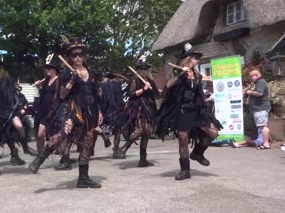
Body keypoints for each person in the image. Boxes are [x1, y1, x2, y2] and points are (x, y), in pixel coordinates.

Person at [29, 37, 102, 188]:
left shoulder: (91, 73)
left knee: (87, 143)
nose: (77, 57)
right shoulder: (66, 74)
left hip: (89, 112)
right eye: (74, 55)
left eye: (80, 54)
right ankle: (39, 159)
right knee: (63, 133)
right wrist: (72, 81)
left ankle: (83, 178)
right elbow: (62, 95)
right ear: (70, 57)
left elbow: (95, 94)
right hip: (73, 109)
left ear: (84, 56)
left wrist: (99, 112)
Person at [154, 43, 222, 180]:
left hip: (197, 110)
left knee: (214, 133)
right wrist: (181, 73)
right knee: (183, 140)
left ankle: (197, 153)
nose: (198, 61)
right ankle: (185, 170)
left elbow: (199, 94)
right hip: (182, 110)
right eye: (196, 58)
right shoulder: (178, 72)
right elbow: (168, 85)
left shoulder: (197, 75)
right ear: (188, 59)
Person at [116, 57, 159, 167]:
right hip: (139, 108)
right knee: (140, 129)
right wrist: (144, 89)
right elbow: (132, 94)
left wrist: (153, 89)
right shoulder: (135, 81)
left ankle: (143, 159)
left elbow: (155, 94)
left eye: (146, 69)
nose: (144, 71)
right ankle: (123, 148)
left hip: (149, 109)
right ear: (138, 70)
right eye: (142, 69)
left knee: (147, 132)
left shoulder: (150, 81)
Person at [232, 69, 272, 149]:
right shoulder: (259, 82)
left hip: (260, 108)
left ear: (256, 75)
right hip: (259, 108)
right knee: (263, 126)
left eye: (251, 76)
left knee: (262, 126)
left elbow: (260, 93)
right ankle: (265, 143)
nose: (251, 78)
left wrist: (249, 92)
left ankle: (266, 143)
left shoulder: (261, 82)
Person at [34, 54, 61, 153]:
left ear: (55, 69)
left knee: (52, 134)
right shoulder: (45, 81)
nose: (47, 70)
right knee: (39, 134)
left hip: (53, 110)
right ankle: (40, 154)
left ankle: (59, 151)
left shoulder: (59, 80)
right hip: (42, 109)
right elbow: (43, 94)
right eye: (47, 68)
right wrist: (38, 87)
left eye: (50, 68)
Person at [99, 72, 126, 159]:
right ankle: (116, 150)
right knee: (118, 130)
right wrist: (118, 75)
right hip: (118, 109)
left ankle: (105, 134)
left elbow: (100, 97)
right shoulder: (118, 84)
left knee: (105, 126)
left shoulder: (102, 86)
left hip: (106, 110)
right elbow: (126, 80)